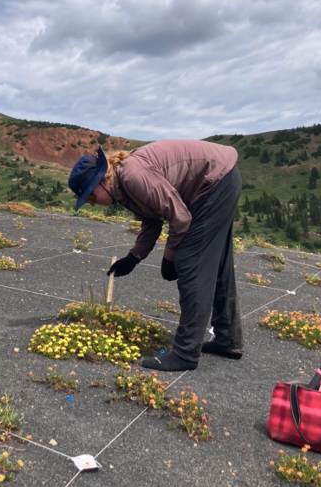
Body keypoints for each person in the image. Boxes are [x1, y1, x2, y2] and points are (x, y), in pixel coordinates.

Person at [68, 140, 242, 371]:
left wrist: (170, 258)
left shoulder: (132, 175)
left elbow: (180, 217)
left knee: (191, 262)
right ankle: (228, 340)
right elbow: (152, 219)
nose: (92, 204)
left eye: (90, 197)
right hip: (222, 179)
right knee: (217, 263)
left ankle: (186, 353)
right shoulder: (122, 185)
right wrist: (134, 257)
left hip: (214, 182)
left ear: (101, 181)